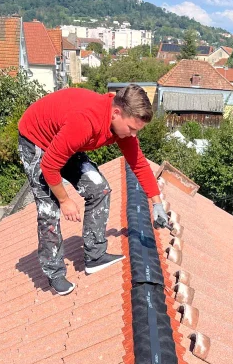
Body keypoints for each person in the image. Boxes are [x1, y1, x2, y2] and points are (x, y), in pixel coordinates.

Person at [18, 84, 170, 295]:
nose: (133, 134)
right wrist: (65, 200)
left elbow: (139, 164)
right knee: (49, 210)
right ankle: (54, 273)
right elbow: (49, 165)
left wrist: (157, 203)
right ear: (116, 113)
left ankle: (95, 256)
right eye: (131, 128)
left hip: (64, 139)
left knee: (100, 189)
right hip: (37, 140)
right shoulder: (86, 121)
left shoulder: (120, 128)